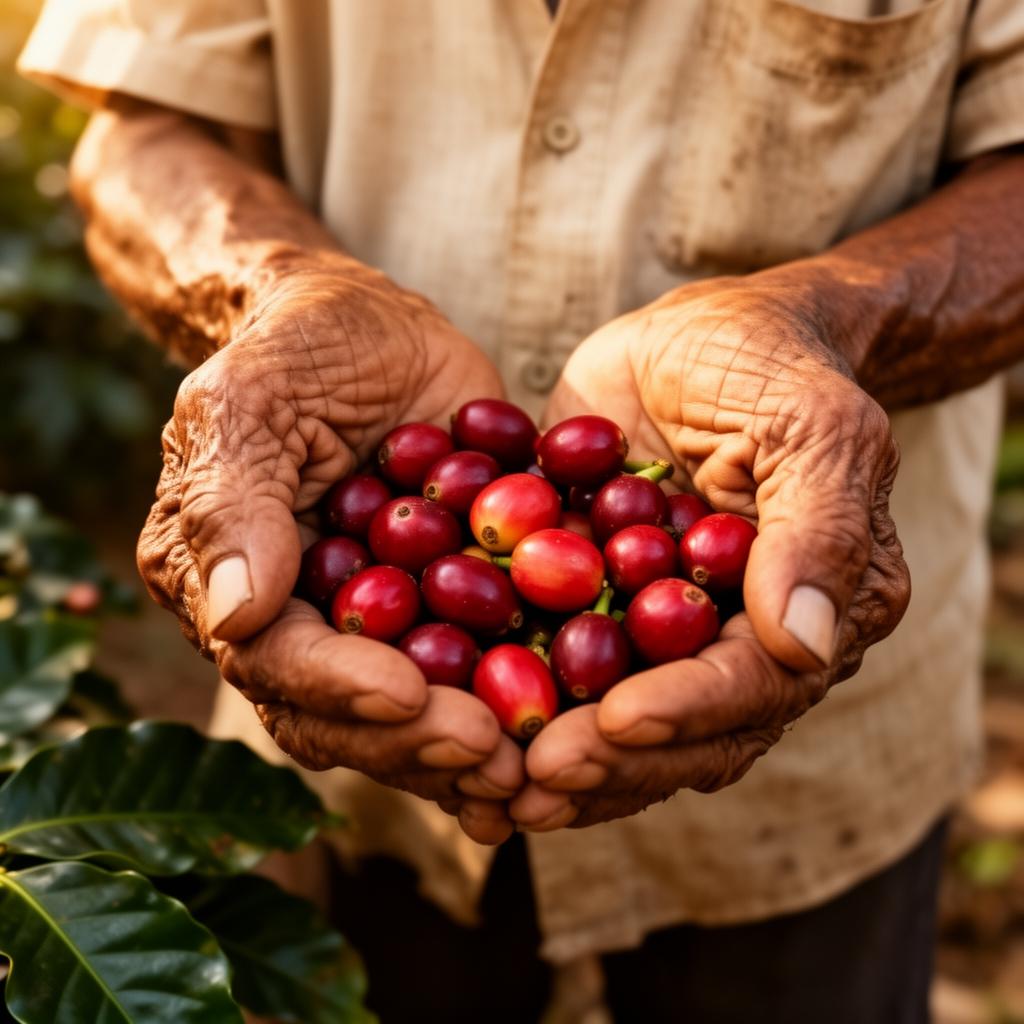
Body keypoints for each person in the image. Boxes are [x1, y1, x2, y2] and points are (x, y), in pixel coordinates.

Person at [19, 1, 1024, 1021]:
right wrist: (274, 295)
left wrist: (831, 322)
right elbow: (141, 132)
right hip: (361, 785)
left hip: (813, 781)